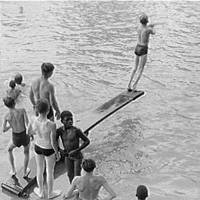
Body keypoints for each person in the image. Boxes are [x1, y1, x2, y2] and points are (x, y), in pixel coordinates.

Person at [28, 98, 61, 199]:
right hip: (48, 149)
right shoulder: (51, 124)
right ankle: (50, 193)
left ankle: (41, 192)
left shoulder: (33, 119)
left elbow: (29, 132)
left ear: (37, 110)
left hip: (38, 146)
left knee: (39, 169)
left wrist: (36, 135)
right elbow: (53, 141)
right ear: (48, 110)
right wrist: (57, 152)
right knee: (50, 171)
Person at [56, 111, 90, 184]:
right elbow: (54, 141)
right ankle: (74, 189)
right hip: (67, 156)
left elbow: (87, 141)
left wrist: (77, 150)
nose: (70, 121)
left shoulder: (76, 130)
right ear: (62, 121)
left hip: (77, 156)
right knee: (69, 175)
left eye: (71, 119)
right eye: (67, 120)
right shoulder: (60, 131)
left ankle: (79, 192)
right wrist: (59, 150)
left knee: (77, 176)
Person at [2, 97, 30, 177]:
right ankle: (25, 172)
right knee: (26, 152)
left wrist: (10, 126)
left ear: (6, 106)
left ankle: (13, 170)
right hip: (24, 135)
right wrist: (31, 134)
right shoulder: (22, 110)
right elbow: (28, 125)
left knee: (9, 149)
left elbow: (3, 130)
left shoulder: (6, 116)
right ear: (14, 103)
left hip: (16, 138)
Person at [127, 14, 155, 91]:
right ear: (147, 21)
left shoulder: (138, 27)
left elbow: (143, 27)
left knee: (134, 67)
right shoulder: (148, 29)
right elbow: (154, 32)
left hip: (137, 47)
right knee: (141, 68)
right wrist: (152, 26)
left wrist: (149, 25)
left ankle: (129, 85)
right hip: (143, 48)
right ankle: (134, 86)